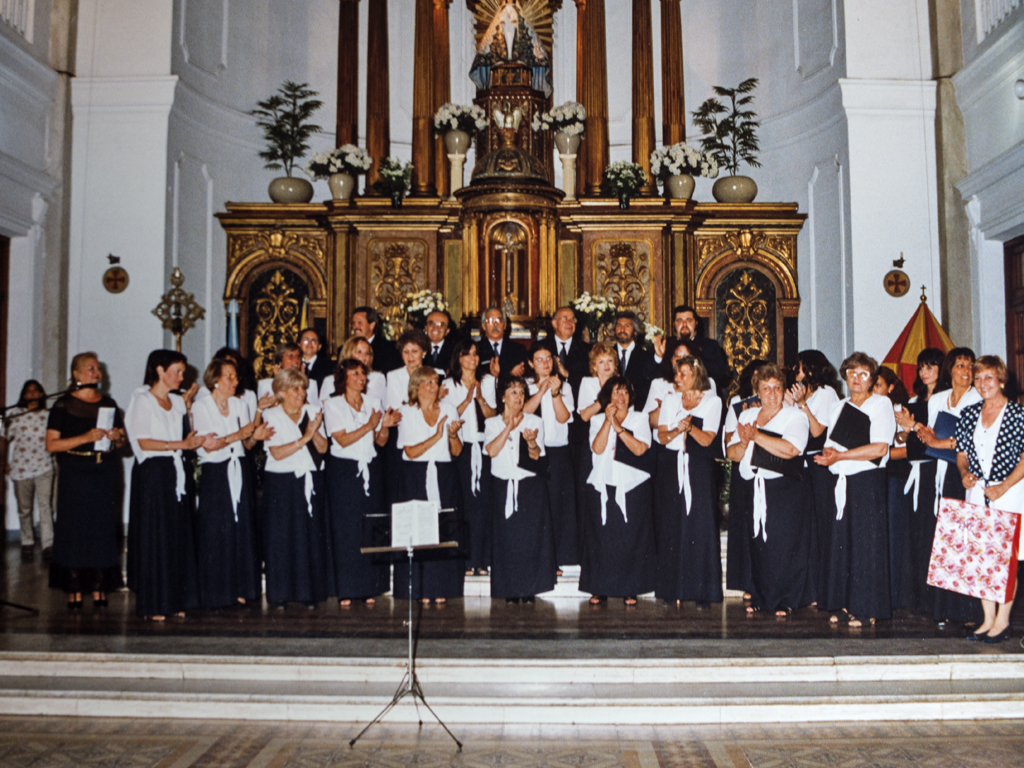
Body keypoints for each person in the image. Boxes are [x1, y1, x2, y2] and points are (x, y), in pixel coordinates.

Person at [815, 352, 896, 627]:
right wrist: (828, 455)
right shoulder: (838, 407)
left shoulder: (880, 404)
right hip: (842, 482)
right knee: (844, 545)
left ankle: (867, 608)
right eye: (851, 373)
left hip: (866, 481)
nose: (856, 378)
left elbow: (880, 448)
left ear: (872, 378)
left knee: (866, 546)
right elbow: (831, 444)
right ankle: (846, 603)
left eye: (863, 373)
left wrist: (840, 457)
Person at [126, 349, 205, 620]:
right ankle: (155, 602)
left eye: (182, 372)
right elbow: (143, 441)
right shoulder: (142, 401)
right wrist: (181, 444)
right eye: (177, 371)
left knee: (177, 534)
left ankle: (176, 598)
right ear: (159, 371)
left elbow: (185, 435)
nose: (181, 376)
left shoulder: (178, 403)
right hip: (153, 473)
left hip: (176, 472)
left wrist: (191, 439)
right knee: (156, 536)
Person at [727, 364, 811, 617]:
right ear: (757, 392)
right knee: (758, 544)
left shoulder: (795, 416)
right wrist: (743, 442)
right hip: (755, 485)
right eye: (766, 388)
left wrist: (756, 436)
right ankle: (762, 597)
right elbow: (732, 453)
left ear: (783, 389)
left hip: (785, 488)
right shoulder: (745, 416)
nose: (772, 393)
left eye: (777, 388)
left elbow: (792, 449)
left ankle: (787, 599)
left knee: (783, 545)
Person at [46, 354, 126, 609]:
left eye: (98, 369)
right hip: (75, 471)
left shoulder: (109, 404)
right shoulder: (63, 405)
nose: (96, 372)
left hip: (104, 470)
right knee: (75, 530)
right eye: (90, 368)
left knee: (101, 529)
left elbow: (123, 442)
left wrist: (116, 436)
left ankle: (100, 588)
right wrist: (84, 437)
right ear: (77, 374)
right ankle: (74, 590)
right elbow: (52, 444)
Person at [191, 358, 271, 609]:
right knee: (217, 529)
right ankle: (216, 591)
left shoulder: (239, 404)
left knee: (241, 528)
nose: (235, 381)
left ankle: (240, 588)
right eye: (229, 376)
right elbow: (210, 443)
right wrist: (241, 434)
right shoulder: (201, 406)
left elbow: (247, 443)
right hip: (216, 472)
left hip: (239, 469)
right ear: (215, 380)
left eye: (236, 376)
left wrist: (257, 419)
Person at [956, 356, 1024, 643]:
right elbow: (962, 454)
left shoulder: (1017, 415)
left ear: (1001, 381)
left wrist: (1003, 486)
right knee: (980, 557)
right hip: (978, 491)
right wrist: (964, 474)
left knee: (1005, 560)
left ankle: (1003, 621)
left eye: (989, 378)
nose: (983, 384)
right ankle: (987, 619)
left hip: (1008, 491)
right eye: (978, 378)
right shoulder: (970, 413)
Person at [915, 347, 983, 626]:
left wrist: (938, 443)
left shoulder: (977, 397)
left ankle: (969, 611)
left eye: (970, 366)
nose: (965, 372)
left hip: (965, 472)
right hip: (941, 471)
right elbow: (931, 434)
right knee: (943, 539)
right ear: (950, 370)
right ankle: (943, 607)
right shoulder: (939, 399)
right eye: (960, 366)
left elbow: (969, 440)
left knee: (965, 540)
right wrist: (922, 433)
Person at [323, 358, 396, 606]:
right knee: (347, 530)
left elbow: (381, 441)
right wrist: (369, 426)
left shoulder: (374, 403)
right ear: (343, 377)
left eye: (362, 373)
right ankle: (347, 588)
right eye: (355, 373)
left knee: (369, 528)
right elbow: (342, 440)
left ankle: (369, 587)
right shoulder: (332, 404)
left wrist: (383, 427)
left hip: (370, 468)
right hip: (344, 471)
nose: (361, 378)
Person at [654, 357, 724, 608]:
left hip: (699, 467)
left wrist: (689, 426)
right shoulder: (671, 400)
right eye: (677, 373)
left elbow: (707, 440)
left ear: (697, 374)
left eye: (684, 374)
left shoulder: (713, 401)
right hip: (672, 466)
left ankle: (703, 592)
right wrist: (678, 429)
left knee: (700, 527)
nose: (678, 378)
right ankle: (671, 591)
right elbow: (662, 437)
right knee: (673, 526)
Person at [580, 376, 655, 606]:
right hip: (603, 483)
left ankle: (629, 589)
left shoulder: (640, 418)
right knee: (601, 539)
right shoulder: (596, 420)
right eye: (615, 393)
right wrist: (607, 421)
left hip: (632, 485)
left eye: (624, 392)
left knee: (630, 539)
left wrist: (619, 428)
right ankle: (598, 588)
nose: (620, 397)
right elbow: (597, 447)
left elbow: (641, 449)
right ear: (608, 397)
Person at [393, 365, 466, 603]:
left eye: (436, 382)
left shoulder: (449, 409)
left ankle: (443, 586)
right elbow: (411, 452)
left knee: (443, 529)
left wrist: (452, 435)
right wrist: (436, 436)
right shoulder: (407, 411)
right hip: (415, 475)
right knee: (418, 530)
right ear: (417, 386)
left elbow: (456, 451)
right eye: (429, 383)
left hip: (444, 474)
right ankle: (421, 590)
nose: (434, 387)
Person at [261, 368, 331, 608]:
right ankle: (280, 594)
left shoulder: (312, 412)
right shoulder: (271, 415)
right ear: (281, 393)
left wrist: (314, 433)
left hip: (309, 479)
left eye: (303, 388)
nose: (301, 393)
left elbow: (322, 449)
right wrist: (304, 437)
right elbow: (277, 453)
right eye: (295, 389)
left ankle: (307, 593)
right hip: (281, 482)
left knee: (307, 536)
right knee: (282, 537)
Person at [485, 375, 556, 603]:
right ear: (503, 396)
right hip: (503, 485)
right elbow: (491, 451)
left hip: (529, 487)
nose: (518, 397)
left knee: (529, 539)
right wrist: (509, 428)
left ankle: (529, 590)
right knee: (507, 540)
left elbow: (537, 457)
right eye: (513, 391)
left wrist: (532, 443)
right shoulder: (492, 423)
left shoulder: (535, 422)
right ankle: (509, 590)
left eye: (521, 392)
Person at [785, 350, 841, 608]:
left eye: (799, 367)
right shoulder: (801, 394)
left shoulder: (826, 393)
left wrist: (802, 405)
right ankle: (808, 589)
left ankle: (825, 590)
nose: (796, 372)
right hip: (802, 463)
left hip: (820, 463)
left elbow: (819, 430)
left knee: (822, 525)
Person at [893, 348, 946, 615]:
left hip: (932, 470)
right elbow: (906, 441)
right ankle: (917, 595)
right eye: (922, 367)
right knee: (915, 534)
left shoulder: (945, 399)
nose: (925, 372)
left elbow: (934, 437)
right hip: (914, 470)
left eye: (931, 367)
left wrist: (913, 429)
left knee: (930, 533)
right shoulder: (915, 399)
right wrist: (904, 430)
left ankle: (933, 600)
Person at [441, 338, 495, 576]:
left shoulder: (488, 380)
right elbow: (449, 416)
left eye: (475, 354)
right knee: (463, 505)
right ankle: (465, 560)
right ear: (459, 358)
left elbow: (493, 415)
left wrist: (480, 397)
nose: (472, 358)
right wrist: (467, 399)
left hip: (483, 448)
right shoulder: (448, 384)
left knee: (482, 506)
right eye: (467, 354)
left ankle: (481, 560)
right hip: (460, 449)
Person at [524, 343, 577, 569]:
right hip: (533, 450)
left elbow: (564, 417)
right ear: (530, 363)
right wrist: (542, 390)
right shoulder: (525, 385)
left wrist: (555, 393)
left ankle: (557, 559)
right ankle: (537, 559)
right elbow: (522, 411)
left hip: (558, 451)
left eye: (548, 359)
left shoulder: (565, 386)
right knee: (535, 506)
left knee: (557, 505)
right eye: (539, 359)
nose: (545, 364)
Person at [723, 358, 769, 601]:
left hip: (769, 468)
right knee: (745, 527)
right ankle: (747, 581)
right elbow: (727, 439)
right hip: (745, 470)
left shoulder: (776, 405)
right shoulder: (738, 406)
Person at [874, 366, 914, 610]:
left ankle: (894, 593)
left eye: (877, 385)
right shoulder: (869, 407)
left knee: (892, 532)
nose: (874, 390)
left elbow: (902, 443)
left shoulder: (898, 409)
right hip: (876, 474)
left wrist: (882, 452)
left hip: (894, 476)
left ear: (890, 387)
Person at [6, 380, 54, 561]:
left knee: (45, 506)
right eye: (28, 392)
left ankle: (48, 544)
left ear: (41, 394)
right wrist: (4, 462)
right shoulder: (14, 415)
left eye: (36, 391)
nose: (32, 394)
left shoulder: (49, 416)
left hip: (44, 466)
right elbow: (3, 437)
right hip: (21, 467)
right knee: (24, 508)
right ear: (24, 395)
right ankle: (27, 541)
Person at [662, 305, 732, 395]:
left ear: (696, 323)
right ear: (673, 324)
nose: (684, 325)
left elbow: (720, 374)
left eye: (689, 320)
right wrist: (658, 357)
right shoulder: (665, 345)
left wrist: (698, 357)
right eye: (679, 321)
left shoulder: (710, 345)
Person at [320, 336, 388, 405]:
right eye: (359, 352)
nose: (363, 356)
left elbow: (380, 407)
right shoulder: (330, 380)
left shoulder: (377, 378)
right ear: (348, 353)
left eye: (367, 353)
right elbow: (324, 408)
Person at [612, 311, 658, 408]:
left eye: (627, 326)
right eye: (619, 325)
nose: (622, 329)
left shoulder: (646, 357)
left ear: (635, 331)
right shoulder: (608, 355)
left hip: (638, 412)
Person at [476, 306, 529, 385]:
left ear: (504, 325)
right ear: (483, 326)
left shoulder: (518, 349)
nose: (495, 324)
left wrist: (517, 373)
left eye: (499, 320)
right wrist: (509, 375)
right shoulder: (476, 349)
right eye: (490, 320)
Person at [352, 306, 401, 373]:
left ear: (372, 325)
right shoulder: (346, 349)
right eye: (353, 323)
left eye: (359, 323)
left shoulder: (389, 349)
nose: (355, 327)